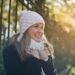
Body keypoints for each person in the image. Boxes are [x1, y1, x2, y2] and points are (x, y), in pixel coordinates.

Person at [3, 10, 56, 75]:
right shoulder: (11, 51)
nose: (40, 31)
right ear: (26, 29)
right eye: (36, 26)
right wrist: (35, 59)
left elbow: (51, 73)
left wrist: (46, 60)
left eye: (42, 27)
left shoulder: (44, 48)